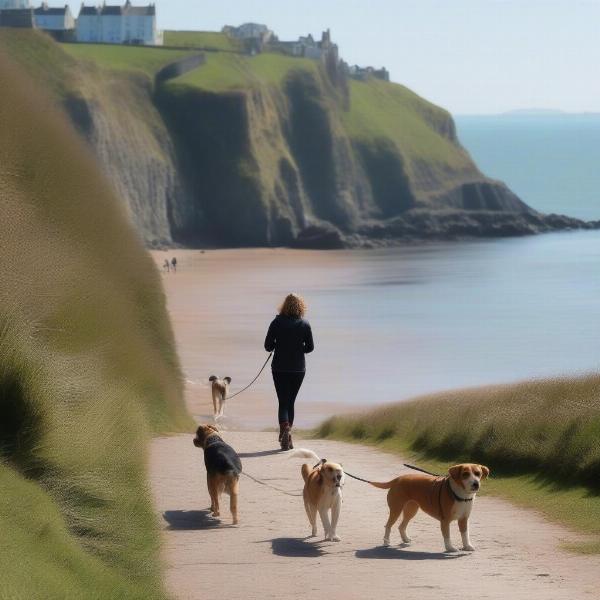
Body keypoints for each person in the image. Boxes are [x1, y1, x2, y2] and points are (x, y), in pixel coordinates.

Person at [264, 293, 314, 450]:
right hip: (298, 369)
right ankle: (288, 433)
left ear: (284, 306)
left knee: (283, 401)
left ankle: (284, 428)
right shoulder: (304, 324)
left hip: (279, 367)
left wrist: (278, 346)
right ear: (301, 306)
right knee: (291, 401)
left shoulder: (276, 322)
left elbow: (268, 346)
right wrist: (299, 349)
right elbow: (310, 347)